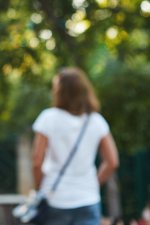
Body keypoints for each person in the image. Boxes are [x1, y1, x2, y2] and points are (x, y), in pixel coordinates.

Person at [32, 67, 119, 225]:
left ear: (59, 91)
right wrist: (93, 183)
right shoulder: (96, 121)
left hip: (55, 199)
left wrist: (40, 189)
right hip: (88, 199)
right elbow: (112, 162)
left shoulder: (48, 118)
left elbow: (37, 161)